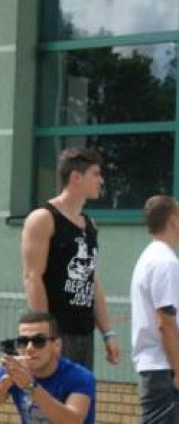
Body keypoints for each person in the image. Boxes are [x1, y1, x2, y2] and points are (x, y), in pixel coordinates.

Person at [21, 146, 121, 370]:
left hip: (83, 334)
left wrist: (108, 334)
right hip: (56, 335)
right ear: (76, 177)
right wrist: (44, 336)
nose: (101, 180)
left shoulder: (90, 225)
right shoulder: (43, 218)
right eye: (95, 174)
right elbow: (32, 277)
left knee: (81, 403)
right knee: (53, 403)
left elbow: (92, 280)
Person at [0, 311, 95, 424]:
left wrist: (29, 386)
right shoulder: (15, 373)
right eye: (23, 341)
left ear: (56, 345)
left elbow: (73, 421)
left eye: (38, 341)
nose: (29, 348)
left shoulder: (80, 377)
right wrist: (6, 380)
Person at [130, 194, 179, 423]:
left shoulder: (150, 257)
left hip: (157, 367)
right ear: (173, 220)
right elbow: (166, 322)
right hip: (164, 369)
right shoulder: (165, 262)